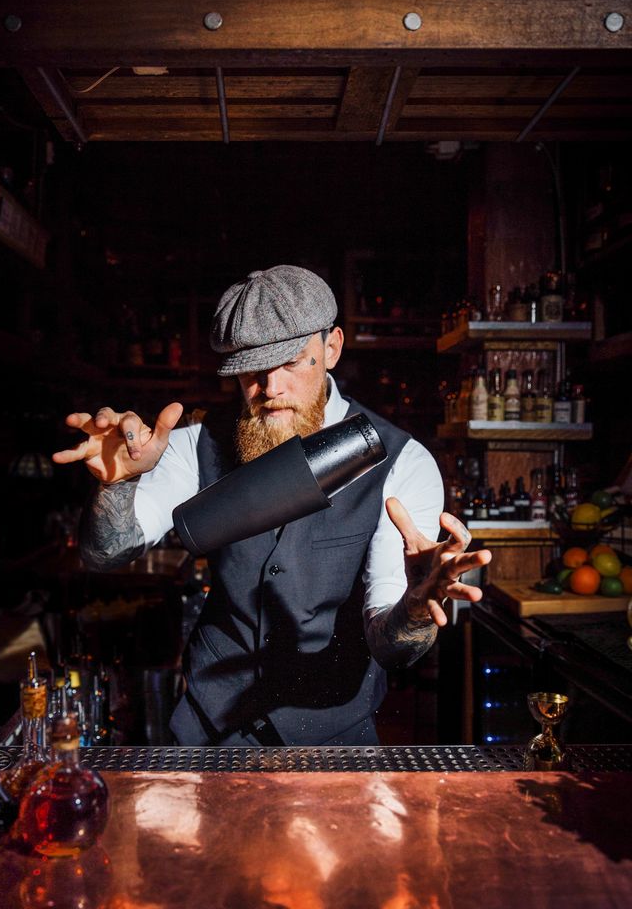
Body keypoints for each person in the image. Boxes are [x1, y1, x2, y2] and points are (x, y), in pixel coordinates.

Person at [53, 266, 491, 746]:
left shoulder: (402, 461)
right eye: (251, 369)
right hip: (206, 729)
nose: (271, 387)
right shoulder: (198, 442)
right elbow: (105, 554)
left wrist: (415, 606)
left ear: (332, 348)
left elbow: (391, 646)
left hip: (331, 740)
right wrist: (118, 485)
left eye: (291, 363)